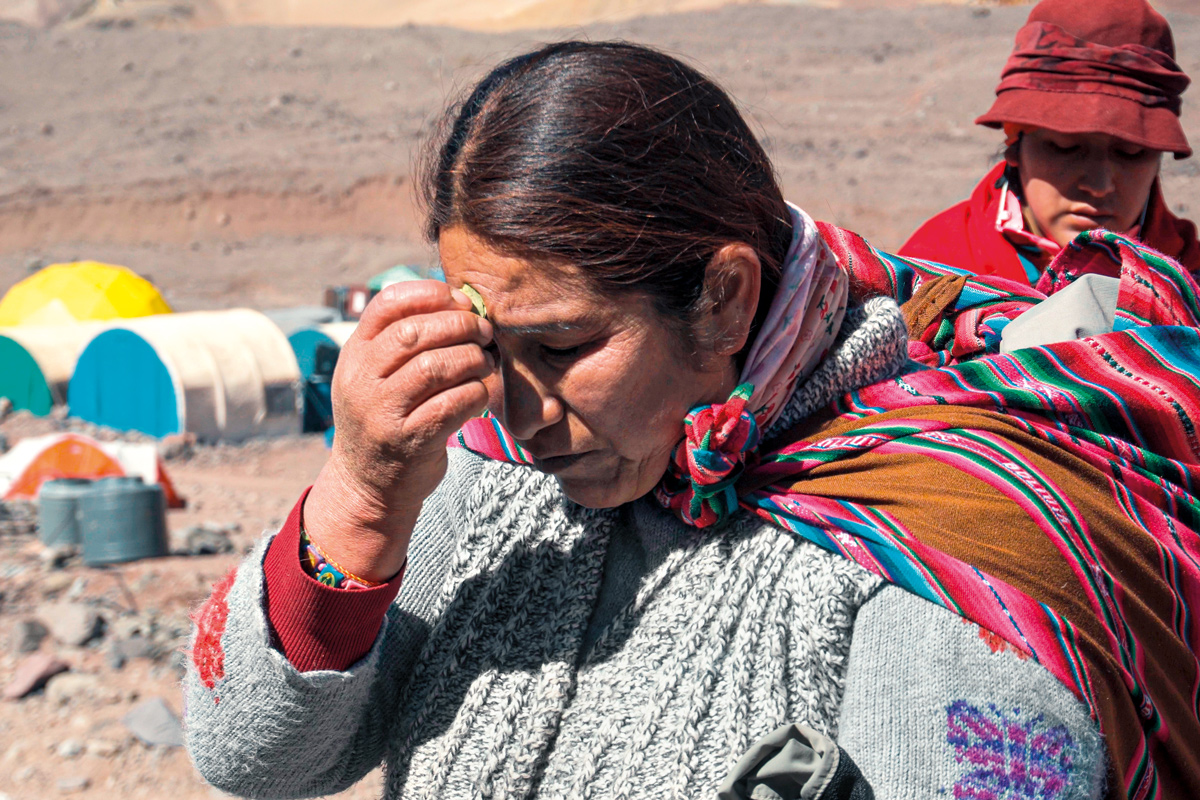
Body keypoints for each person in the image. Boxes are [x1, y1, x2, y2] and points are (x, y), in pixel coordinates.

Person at [184, 42, 1200, 800]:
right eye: (492, 348)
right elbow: (254, 757)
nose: (521, 409)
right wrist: (359, 501)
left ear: (721, 299)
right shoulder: (489, 478)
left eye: (565, 346)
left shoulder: (933, 536)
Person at [899, 0, 1199, 285]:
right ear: (1014, 142)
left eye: (1131, 152)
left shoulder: (1190, 280)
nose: (1099, 184)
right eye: (1064, 148)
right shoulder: (932, 268)